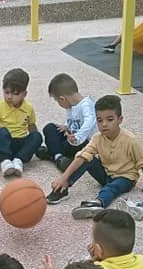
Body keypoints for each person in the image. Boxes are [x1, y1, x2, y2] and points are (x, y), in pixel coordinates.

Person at [49, 95, 143, 219]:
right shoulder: (97, 138)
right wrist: (63, 178)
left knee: (112, 188)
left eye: (110, 119)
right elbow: (82, 157)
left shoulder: (131, 140)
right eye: (99, 120)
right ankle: (63, 188)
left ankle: (98, 203)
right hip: (106, 174)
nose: (104, 124)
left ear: (120, 120)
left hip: (126, 178)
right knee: (86, 159)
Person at [36, 73, 96, 204]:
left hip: (82, 143)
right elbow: (72, 122)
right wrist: (66, 127)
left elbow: (90, 122)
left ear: (62, 99)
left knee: (84, 151)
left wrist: (78, 137)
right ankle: (58, 157)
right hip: (70, 140)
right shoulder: (70, 106)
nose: (59, 104)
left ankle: (53, 154)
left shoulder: (86, 105)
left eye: (57, 101)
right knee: (50, 128)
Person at [0, 68, 42, 177]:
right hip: (5, 142)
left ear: (24, 94)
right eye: (6, 92)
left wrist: (34, 144)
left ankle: (19, 160)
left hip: (21, 142)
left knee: (37, 136)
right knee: (2, 131)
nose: (9, 97)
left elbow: (32, 127)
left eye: (15, 94)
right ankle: (5, 161)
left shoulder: (29, 108)